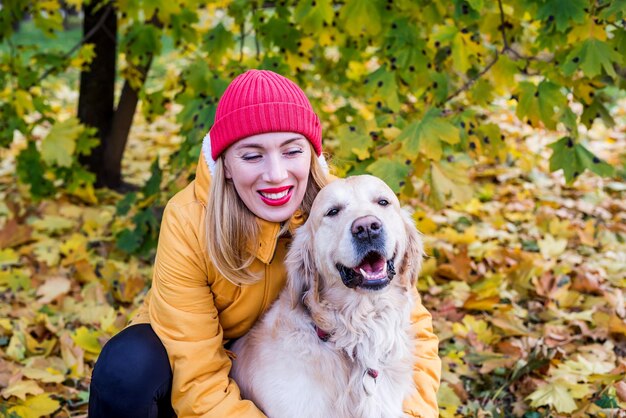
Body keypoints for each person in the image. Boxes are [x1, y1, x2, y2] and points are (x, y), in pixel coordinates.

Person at [88, 69, 441, 417]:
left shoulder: (337, 209)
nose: (275, 175)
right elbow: (196, 378)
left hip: (291, 358)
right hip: (188, 361)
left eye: (292, 151)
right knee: (128, 369)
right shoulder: (187, 220)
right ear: (224, 165)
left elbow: (410, 324)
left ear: (312, 154)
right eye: (252, 155)